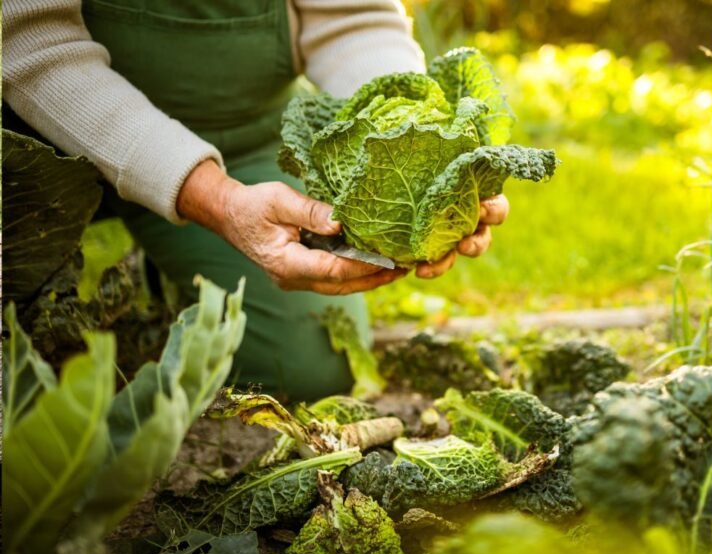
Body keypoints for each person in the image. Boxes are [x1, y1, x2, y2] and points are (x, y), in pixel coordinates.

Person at [3, 0, 509, 400]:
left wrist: (426, 150)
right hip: (36, 137)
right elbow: (29, 39)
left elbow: (355, 20)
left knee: (311, 369)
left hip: (238, 138)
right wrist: (215, 201)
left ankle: (167, 271)